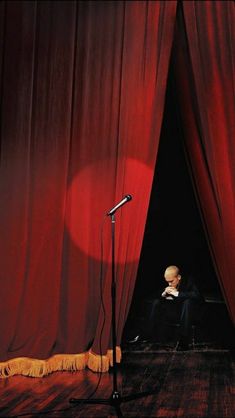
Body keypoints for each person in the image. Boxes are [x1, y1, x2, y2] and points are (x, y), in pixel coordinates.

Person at [129, 265, 205, 350]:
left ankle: (183, 340)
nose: (169, 284)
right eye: (167, 281)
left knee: (188, 302)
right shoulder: (168, 281)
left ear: (179, 277)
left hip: (187, 313)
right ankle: (146, 335)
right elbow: (154, 294)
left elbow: (198, 296)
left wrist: (178, 294)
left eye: (171, 281)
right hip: (173, 311)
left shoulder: (189, 280)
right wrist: (163, 293)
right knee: (155, 302)